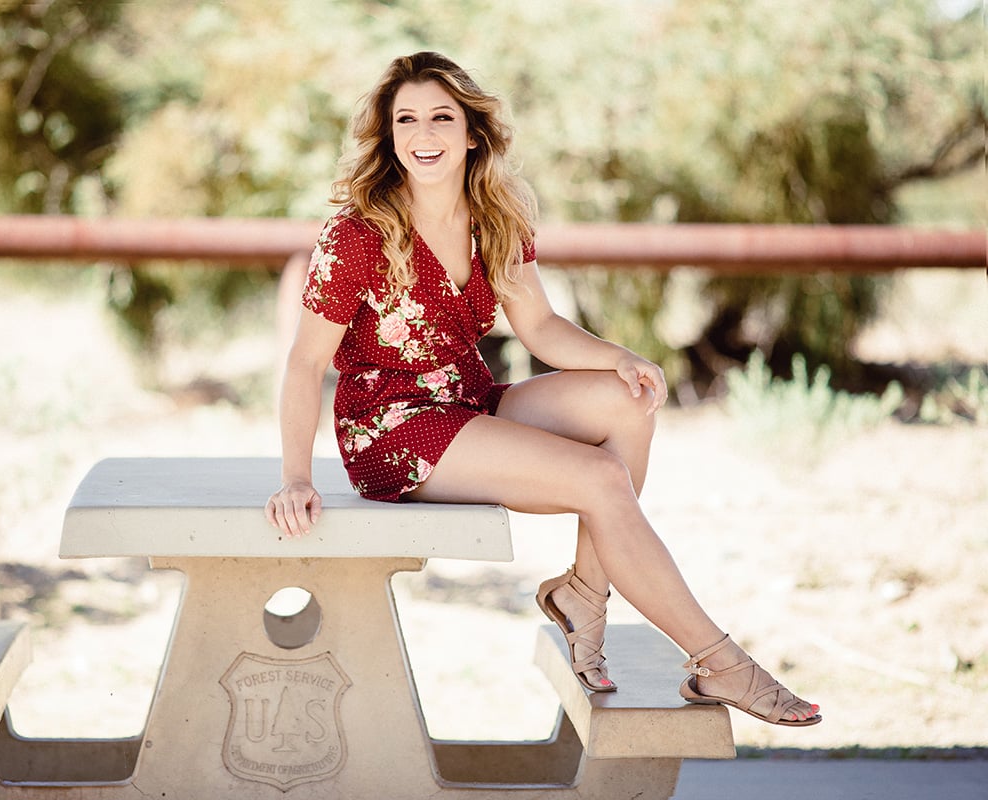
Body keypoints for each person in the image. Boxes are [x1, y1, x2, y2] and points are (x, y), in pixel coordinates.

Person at [265, 51, 820, 727]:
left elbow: (540, 328)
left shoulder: (495, 217)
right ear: (389, 136)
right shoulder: (357, 234)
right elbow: (305, 363)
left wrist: (621, 358)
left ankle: (584, 590)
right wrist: (296, 478)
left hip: (469, 400)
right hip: (392, 429)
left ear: (472, 133)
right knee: (600, 478)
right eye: (405, 119)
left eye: (441, 117)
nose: (423, 134)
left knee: (628, 399)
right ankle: (722, 661)